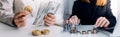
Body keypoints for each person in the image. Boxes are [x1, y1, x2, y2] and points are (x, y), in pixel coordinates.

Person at [44, 0, 116, 32]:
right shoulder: (78, 3)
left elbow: (112, 18)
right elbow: (72, 19)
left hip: (100, 34)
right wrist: (72, 20)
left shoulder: (106, 1)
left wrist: (108, 21)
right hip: (83, 34)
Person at [0, 0, 64, 28]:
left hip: (46, 30)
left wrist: (53, 19)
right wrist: (13, 20)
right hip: (19, 31)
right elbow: (2, 11)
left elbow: (60, 12)